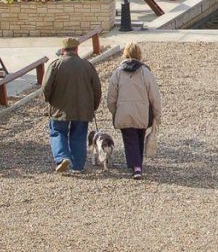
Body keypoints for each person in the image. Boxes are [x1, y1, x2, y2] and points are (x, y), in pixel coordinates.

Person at [42, 37, 102, 174]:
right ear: (77, 49)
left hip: (59, 107)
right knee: (79, 135)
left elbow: (46, 87)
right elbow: (97, 88)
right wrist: (93, 106)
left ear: (63, 50)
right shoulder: (87, 65)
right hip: (82, 108)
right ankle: (78, 166)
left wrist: (49, 100)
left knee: (58, 132)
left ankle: (62, 157)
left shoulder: (55, 65)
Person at [107, 43, 162, 180]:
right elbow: (154, 95)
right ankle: (137, 164)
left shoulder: (118, 73)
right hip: (142, 112)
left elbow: (111, 97)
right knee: (139, 137)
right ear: (139, 54)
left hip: (123, 112)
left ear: (125, 54)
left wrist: (114, 111)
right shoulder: (145, 72)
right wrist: (157, 113)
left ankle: (135, 165)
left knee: (129, 138)